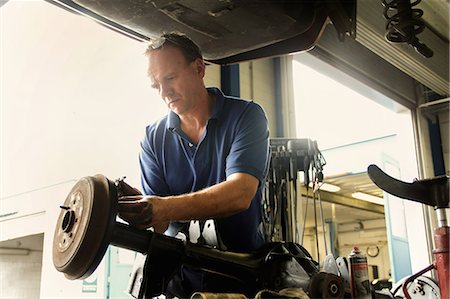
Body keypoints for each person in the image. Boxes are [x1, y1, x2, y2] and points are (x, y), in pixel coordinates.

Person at [118, 32, 270, 297]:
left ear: (199, 68)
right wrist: (137, 211)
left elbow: (241, 193)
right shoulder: (153, 139)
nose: (164, 92)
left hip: (243, 277)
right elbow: (160, 223)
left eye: (170, 78)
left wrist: (162, 207)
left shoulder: (246, 117)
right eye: (156, 85)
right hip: (180, 282)